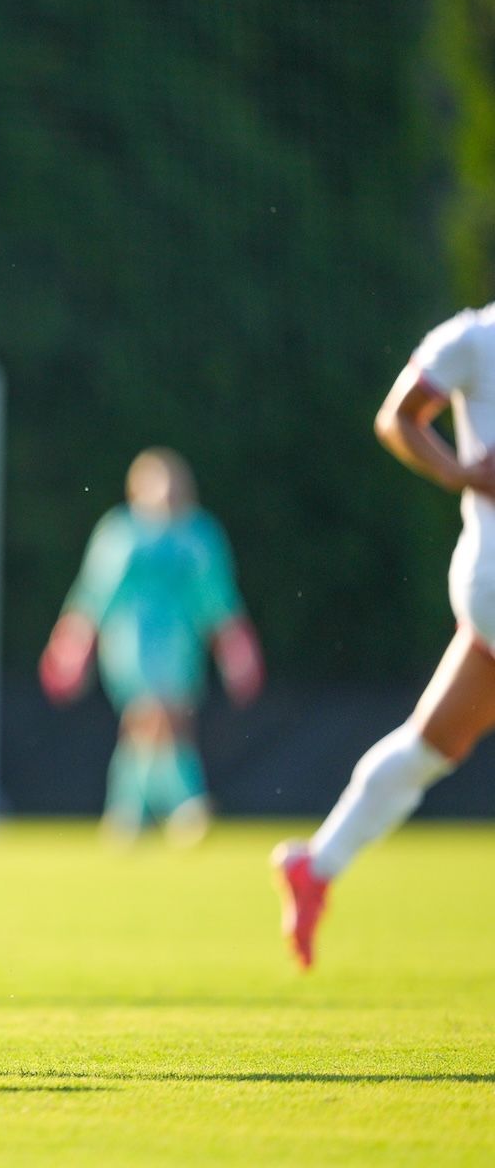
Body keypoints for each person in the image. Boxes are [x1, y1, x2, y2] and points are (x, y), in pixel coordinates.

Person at [274, 306, 495, 970]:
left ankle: (316, 864)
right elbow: (398, 416)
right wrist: (459, 472)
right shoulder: (476, 337)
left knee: (434, 744)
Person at [40, 448, 264, 845]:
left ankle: (126, 814)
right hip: (129, 639)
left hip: (180, 641)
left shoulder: (200, 534)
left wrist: (236, 649)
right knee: (154, 712)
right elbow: (93, 595)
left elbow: (219, 599)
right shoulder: (120, 532)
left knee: (161, 724)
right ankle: (186, 805)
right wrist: (71, 645)